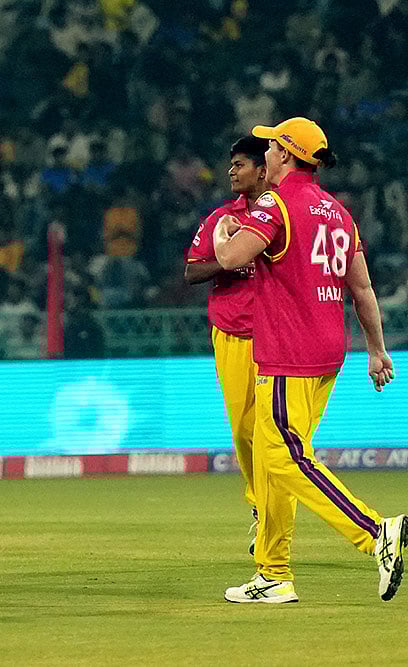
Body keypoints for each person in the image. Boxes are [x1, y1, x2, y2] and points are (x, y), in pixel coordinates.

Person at [214, 117, 403, 603]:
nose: (267, 152)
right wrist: (377, 349)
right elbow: (360, 287)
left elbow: (233, 258)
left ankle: (375, 533)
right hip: (327, 353)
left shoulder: (277, 204)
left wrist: (226, 231)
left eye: (273, 144)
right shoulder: (339, 213)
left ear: (286, 155)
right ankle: (274, 574)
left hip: (286, 354)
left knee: (283, 456)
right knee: (278, 460)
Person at [185, 136, 269, 555]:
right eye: (230, 165)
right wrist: (232, 255)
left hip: (279, 332)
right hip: (234, 331)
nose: (231, 172)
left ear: (262, 169)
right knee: (243, 428)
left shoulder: (282, 214)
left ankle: (271, 515)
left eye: (239, 165)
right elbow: (191, 271)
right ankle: (260, 508)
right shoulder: (221, 219)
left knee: (276, 431)